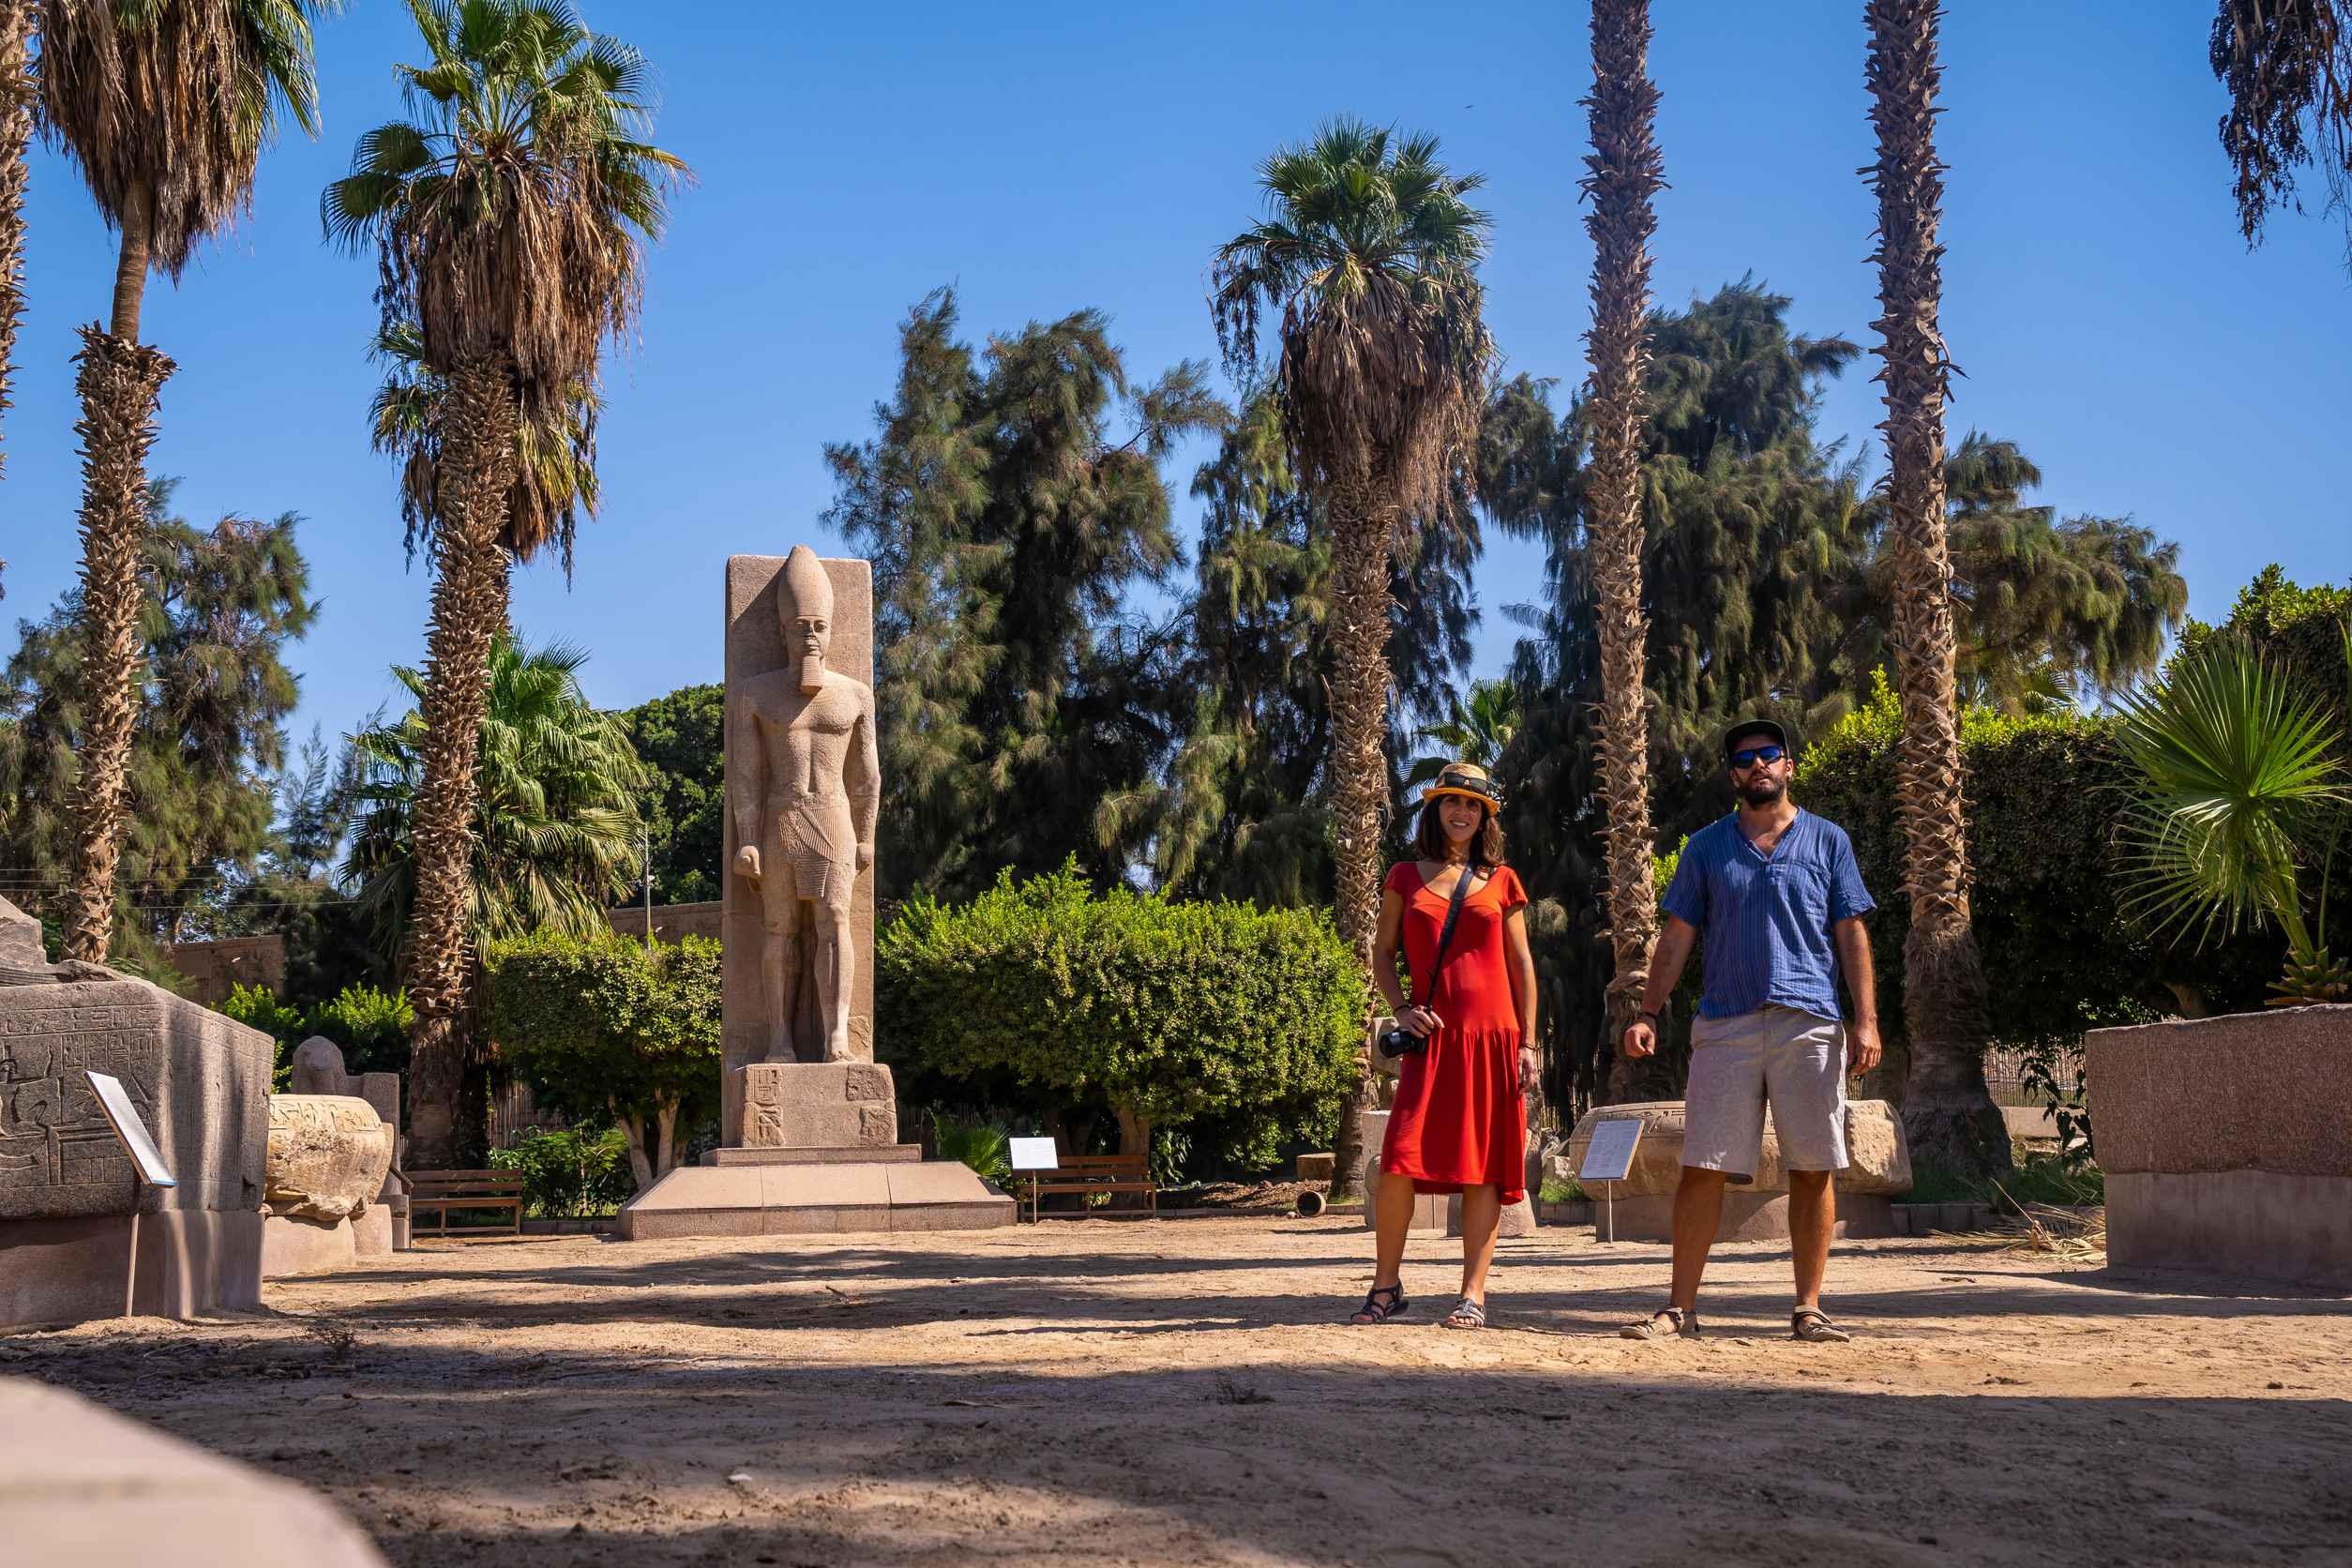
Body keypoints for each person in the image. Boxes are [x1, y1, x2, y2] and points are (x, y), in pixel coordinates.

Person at [1619, 718, 1881, 1345]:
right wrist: (1648, 1013)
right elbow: (1677, 935)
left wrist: (1866, 1021)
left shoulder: (1828, 842)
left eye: (1769, 754)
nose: (1757, 764)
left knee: (1813, 1167)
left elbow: (1851, 932)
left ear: (1789, 765)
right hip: (1726, 1025)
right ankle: (1679, 1309)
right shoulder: (1707, 847)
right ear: (1733, 774)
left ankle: (1808, 1308)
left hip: (1810, 1022)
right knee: (1702, 1167)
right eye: (1744, 758)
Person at [1349, 762, 1540, 1331]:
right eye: (1452, 803)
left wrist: (1530, 1041)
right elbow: (1382, 952)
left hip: (1494, 1038)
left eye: (1473, 806)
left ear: (1485, 818)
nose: (1462, 813)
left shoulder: (1502, 880)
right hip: (1433, 1041)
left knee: (1482, 1169)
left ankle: (1472, 1295)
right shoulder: (1404, 876)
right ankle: (1386, 1287)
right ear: (1434, 809)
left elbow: (1522, 964)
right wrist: (1401, 1007)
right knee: (1399, 1162)